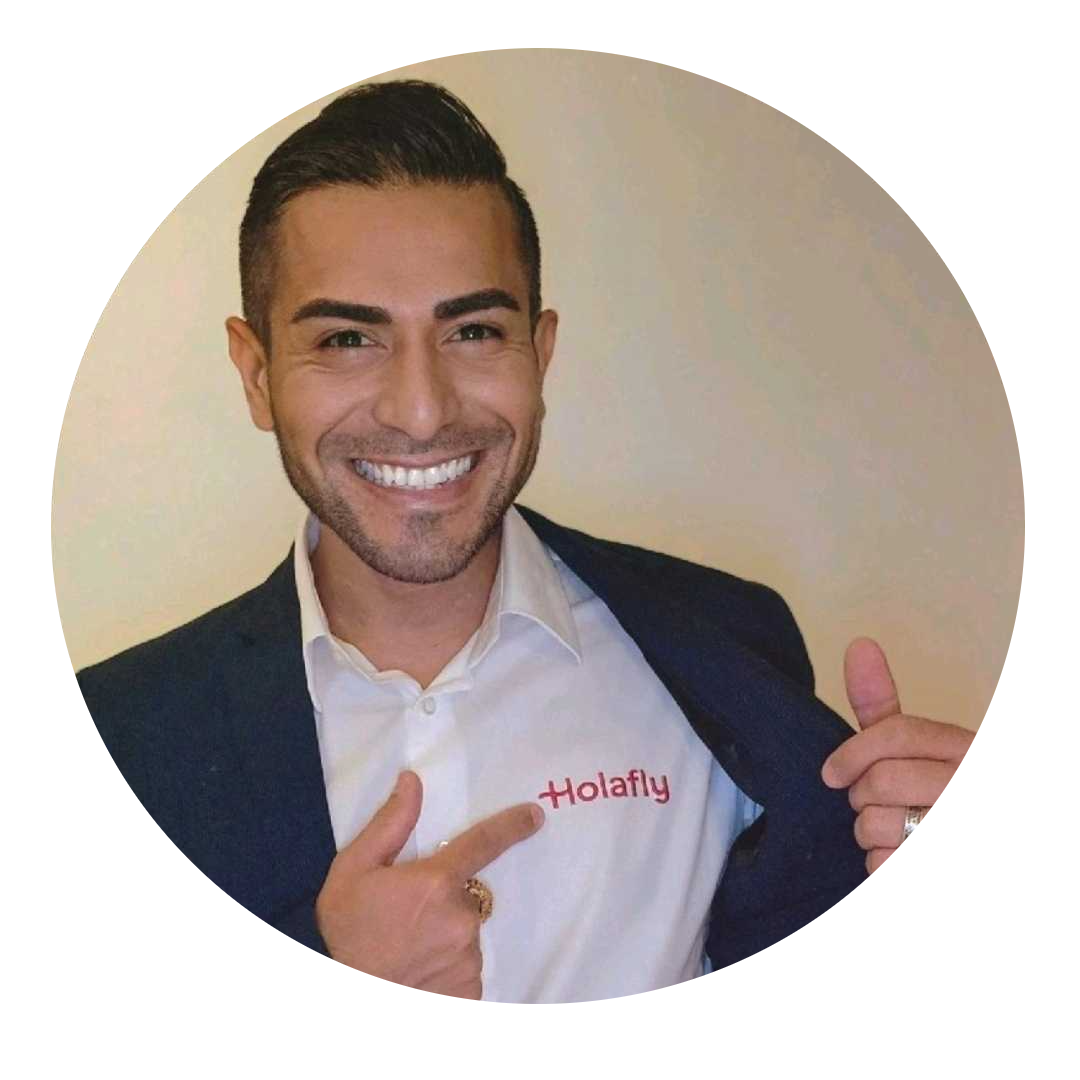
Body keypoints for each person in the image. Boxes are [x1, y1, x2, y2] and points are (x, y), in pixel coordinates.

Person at [75, 79, 974, 1003]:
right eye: (346, 339)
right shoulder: (128, 733)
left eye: (473, 330)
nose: (421, 412)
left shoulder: (733, 643)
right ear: (257, 373)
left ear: (540, 354)